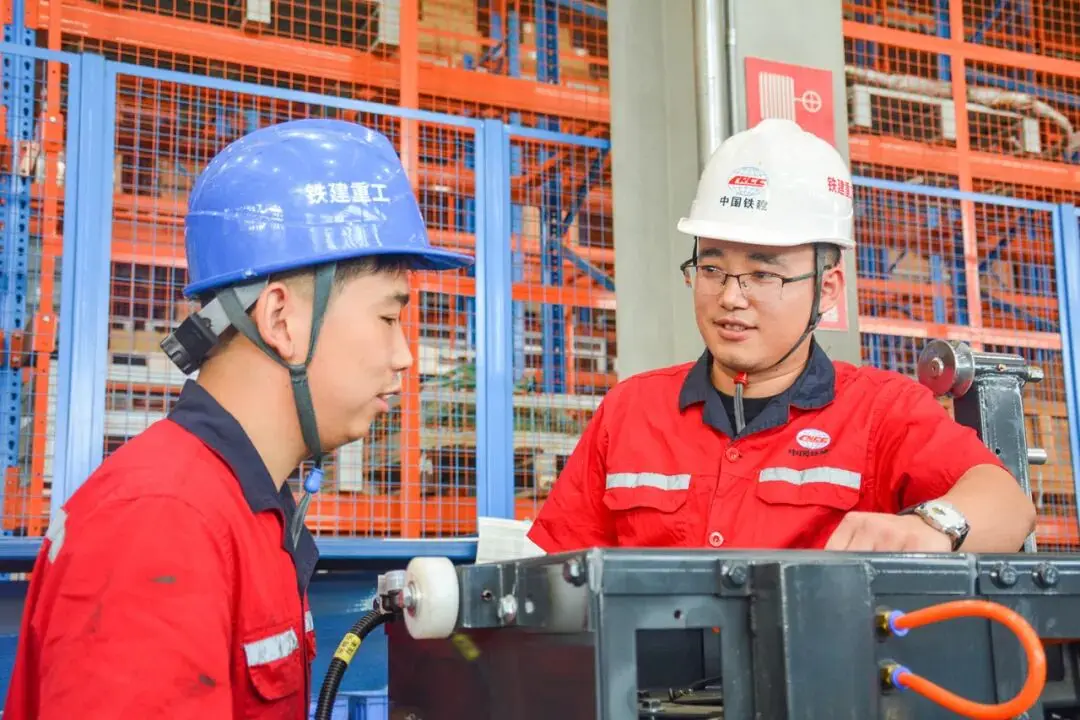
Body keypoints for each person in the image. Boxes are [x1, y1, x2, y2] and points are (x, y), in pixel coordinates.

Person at [3, 118, 473, 718]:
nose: (405, 356)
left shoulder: (245, 511)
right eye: (388, 318)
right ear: (281, 319)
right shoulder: (160, 526)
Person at [527, 118, 1036, 555]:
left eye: (764, 274)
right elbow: (560, 574)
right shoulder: (630, 412)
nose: (731, 297)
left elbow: (1009, 507)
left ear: (827, 288)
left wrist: (931, 528)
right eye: (712, 268)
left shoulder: (881, 413)